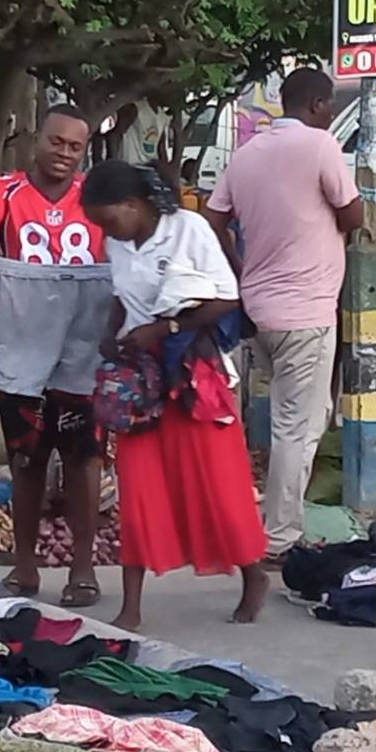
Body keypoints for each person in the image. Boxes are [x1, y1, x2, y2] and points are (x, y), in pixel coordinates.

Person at [82, 160, 268, 631]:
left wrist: (165, 328)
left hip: (191, 372)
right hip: (138, 378)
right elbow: (122, 298)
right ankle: (132, 605)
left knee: (215, 485)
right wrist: (113, 334)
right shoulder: (117, 243)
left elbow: (228, 298)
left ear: (133, 204)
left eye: (107, 217)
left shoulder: (190, 229)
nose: (104, 229)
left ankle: (252, 575)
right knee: (138, 486)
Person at [204, 68, 361, 560]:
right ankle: (278, 538)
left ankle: (273, 525)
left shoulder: (247, 153)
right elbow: (353, 214)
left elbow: (214, 217)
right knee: (299, 427)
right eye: (330, 104)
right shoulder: (319, 146)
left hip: (259, 309)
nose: (332, 113)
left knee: (290, 421)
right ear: (316, 105)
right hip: (307, 311)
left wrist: (239, 265)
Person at [0, 107, 114, 608]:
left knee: (84, 457)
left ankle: (83, 569)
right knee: (26, 457)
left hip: (82, 343)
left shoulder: (95, 197)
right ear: (37, 140)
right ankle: (24, 568)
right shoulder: (5, 190)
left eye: (75, 146)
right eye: (57, 142)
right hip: (22, 341)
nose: (65, 153)